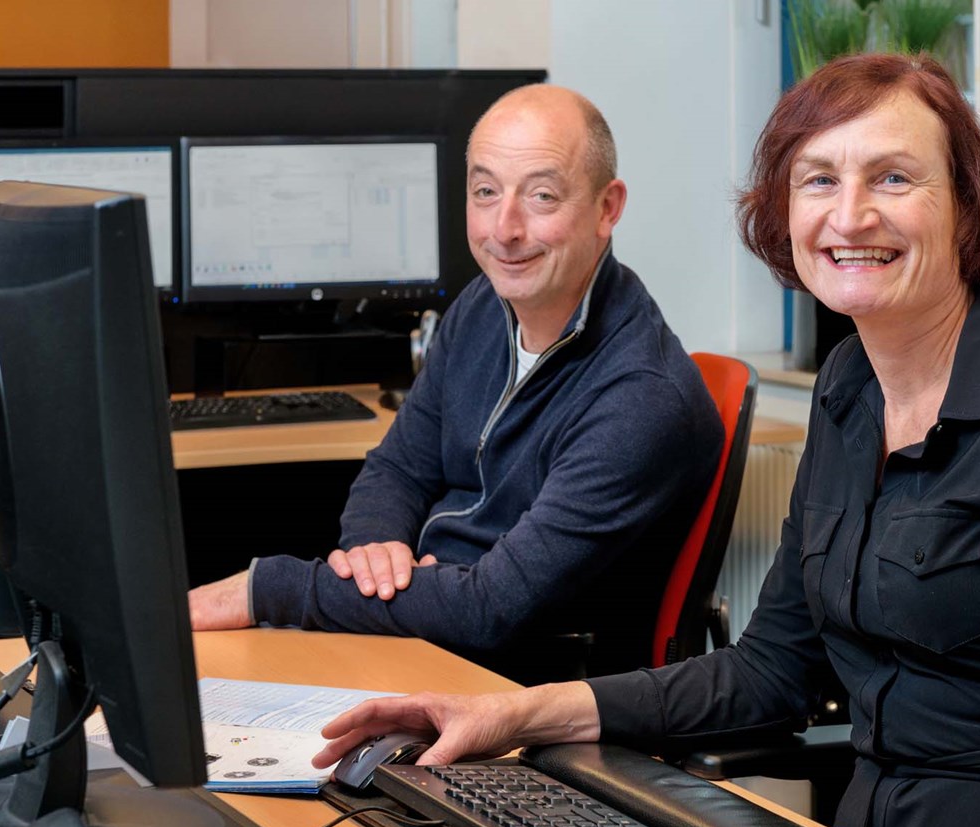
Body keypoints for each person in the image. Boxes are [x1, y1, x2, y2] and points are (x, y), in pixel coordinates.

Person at [313, 54, 980, 827]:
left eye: (893, 177)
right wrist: (509, 714)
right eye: (818, 180)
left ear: (966, 203)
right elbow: (771, 669)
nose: (850, 214)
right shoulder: (849, 386)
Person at [188, 84, 723, 685]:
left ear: (607, 208)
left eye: (542, 196)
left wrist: (265, 589)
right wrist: (375, 552)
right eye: (485, 192)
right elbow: (399, 467)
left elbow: (491, 608)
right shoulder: (484, 306)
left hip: (520, 686)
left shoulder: (641, 398)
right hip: (422, 633)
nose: (505, 229)